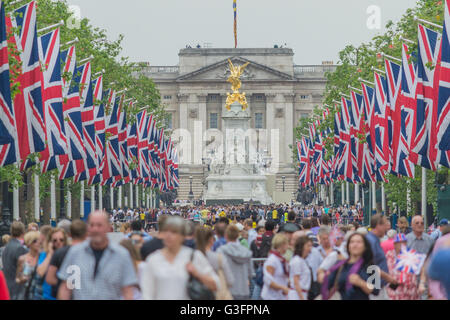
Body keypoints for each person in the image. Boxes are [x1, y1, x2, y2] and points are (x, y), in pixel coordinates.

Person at [57, 211, 138, 300]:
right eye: (92, 225)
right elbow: (66, 287)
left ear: (108, 228)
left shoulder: (121, 255)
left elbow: (127, 291)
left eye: (99, 225)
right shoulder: (75, 253)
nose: (95, 229)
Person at [140, 216, 218, 300]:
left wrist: (197, 274)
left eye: (174, 232)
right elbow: (147, 293)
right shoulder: (153, 260)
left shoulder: (194, 256)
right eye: (166, 231)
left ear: (182, 236)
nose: (169, 235)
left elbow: (216, 284)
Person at [321, 232, 380, 300]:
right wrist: (323, 276)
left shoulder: (372, 266)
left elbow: (376, 290)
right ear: (348, 246)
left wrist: (361, 283)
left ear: (365, 246)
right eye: (352, 242)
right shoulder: (339, 265)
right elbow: (328, 284)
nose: (355, 244)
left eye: (359, 242)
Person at [45, 220, 87, 299]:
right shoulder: (89, 252)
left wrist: (65, 283)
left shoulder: (59, 253)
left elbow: (49, 278)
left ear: (70, 234)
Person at [365, 214, 398, 299]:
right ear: (378, 225)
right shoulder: (371, 242)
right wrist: (388, 278)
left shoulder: (374, 240)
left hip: (378, 285)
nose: (387, 228)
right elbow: (370, 266)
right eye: (385, 225)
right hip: (373, 286)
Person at [195, 226, 234, 296]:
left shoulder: (191, 257)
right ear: (211, 240)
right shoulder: (219, 258)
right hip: (217, 294)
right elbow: (230, 280)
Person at [217, 225, 253, 299]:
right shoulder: (246, 252)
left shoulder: (221, 251)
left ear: (226, 236)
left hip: (228, 290)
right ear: (238, 235)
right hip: (243, 290)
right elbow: (250, 273)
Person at [34, 228, 68, 300]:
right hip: (48, 296)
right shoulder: (45, 255)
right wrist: (50, 254)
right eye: (55, 240)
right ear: (50, 242)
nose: (58, 242)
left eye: (61, 240)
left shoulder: (70, 254)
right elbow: (40, 272)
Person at [386, 234, 419, 300]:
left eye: (404, 242)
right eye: (399, 242)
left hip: (410, 290)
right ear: (395, 244)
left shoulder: (411, 254)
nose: (402, 244)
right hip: (395, 289)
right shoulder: (389, 255)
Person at [2, 221, 28, 300]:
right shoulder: (20, 248)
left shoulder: (6, 247)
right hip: (17, 288)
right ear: (23, 232)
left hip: (7, 285)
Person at [261, 234, 290, 300]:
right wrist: (283, 288)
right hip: (270, 296)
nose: (288, 247)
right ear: (282, 245)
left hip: (279, 296)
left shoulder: (282, 259)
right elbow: (268, 280)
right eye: (286, 244)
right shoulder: (272, 260)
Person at [15, 231, 41, 300]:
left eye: (39, 241)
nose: (38, 243)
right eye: (35, 241)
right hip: (27, 294)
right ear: (29, 243)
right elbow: (17, 278)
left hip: (40, 294)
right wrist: (22, 279)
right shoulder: (22, 259)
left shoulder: (43, 258)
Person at [288, 236, 313, 300]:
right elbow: (296, 281)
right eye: (308, 246)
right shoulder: (297, 261)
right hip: (297, 295)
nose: (310, 248)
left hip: (302, 294)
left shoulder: (303, 260)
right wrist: (301, 297)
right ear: (302, 246)